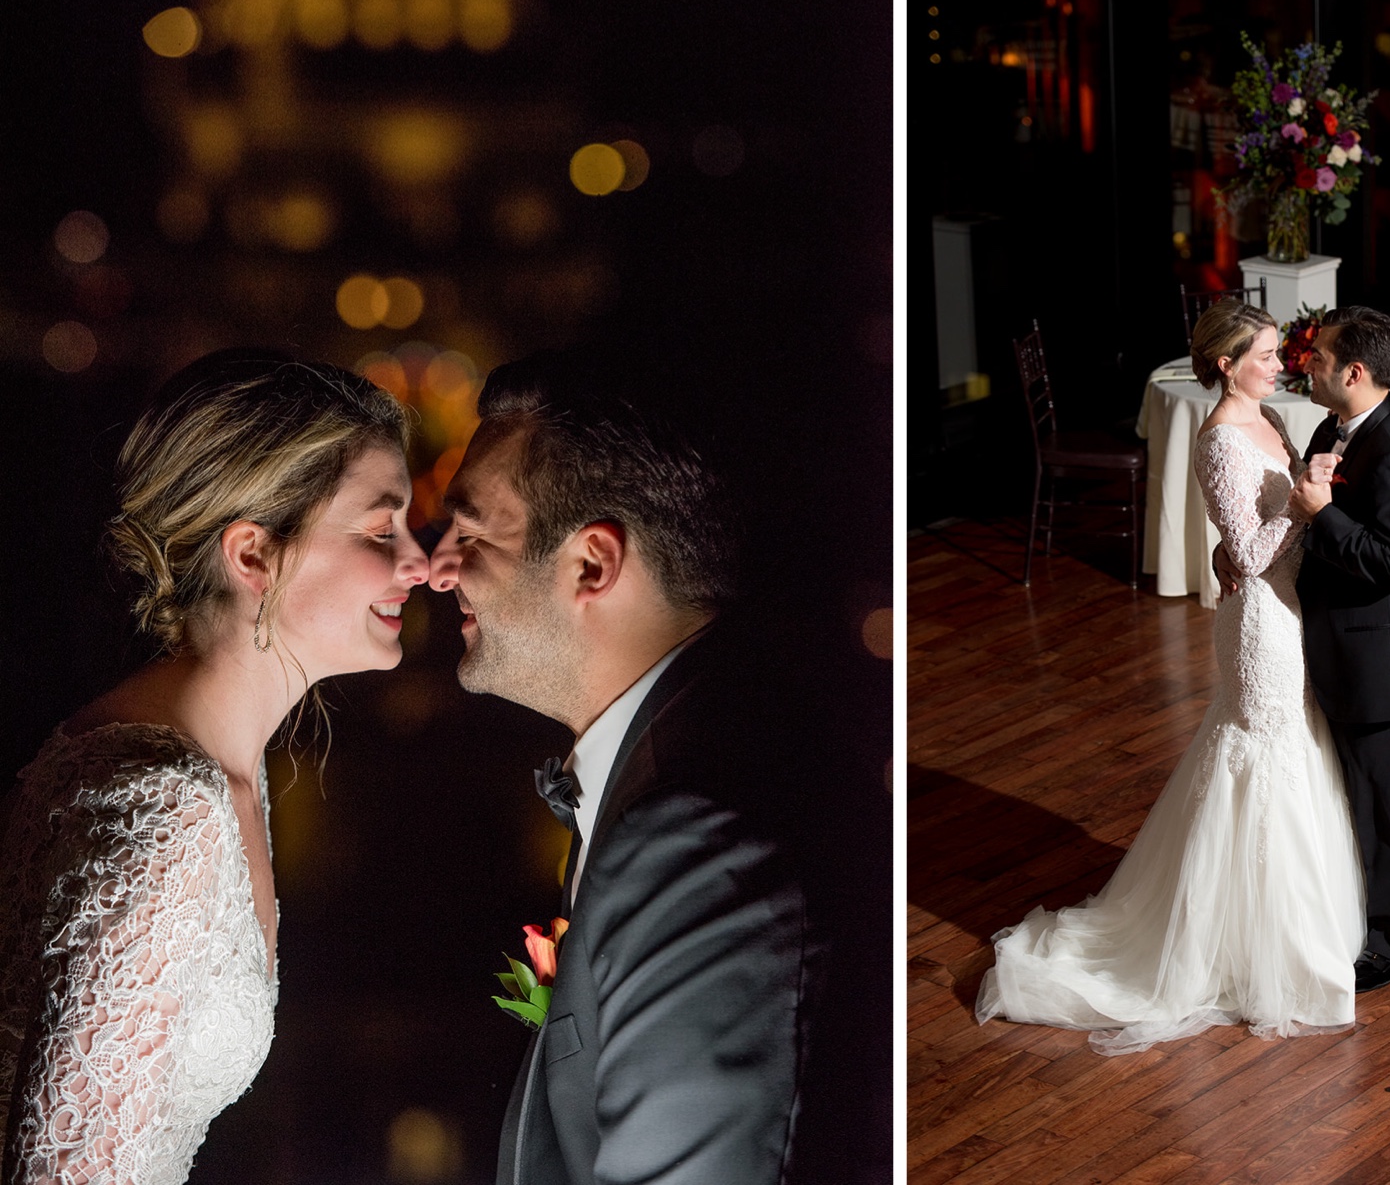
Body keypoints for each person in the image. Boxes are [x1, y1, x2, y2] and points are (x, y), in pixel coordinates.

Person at [429, 355, 866, 1184]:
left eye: (472, 531)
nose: (438, 566)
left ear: (591, 564)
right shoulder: (671, 756)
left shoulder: (695, 835)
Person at [0, 351, 428, 1183]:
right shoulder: (164, 813)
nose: (419, 561)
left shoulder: (197, 765)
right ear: (253, 555)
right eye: (382, 530)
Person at [976, 300, 1365, 1054]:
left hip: (1290, 611)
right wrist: (1306, 497)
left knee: (1289, 753)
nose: (1279, 362)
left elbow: (1245, 542)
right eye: (1264, 354)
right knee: (1263, 757)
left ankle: (1282, 934)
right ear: (1226, 364)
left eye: (1279, 351)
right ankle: (1253, 954)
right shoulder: (1220, 438)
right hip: (1260, 623)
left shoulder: (1272, 421)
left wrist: (1290, 497)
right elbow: (1249, 553)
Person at [1265, 305, 1390, 992]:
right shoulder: (1332, 428)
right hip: (1344, 653)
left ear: (1356, 371)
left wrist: (1323, 516)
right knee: (1357, 801)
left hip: (1384, 667)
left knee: (1388, 808)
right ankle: (1357, 921)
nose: (1305, 362)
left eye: (1318, 356)